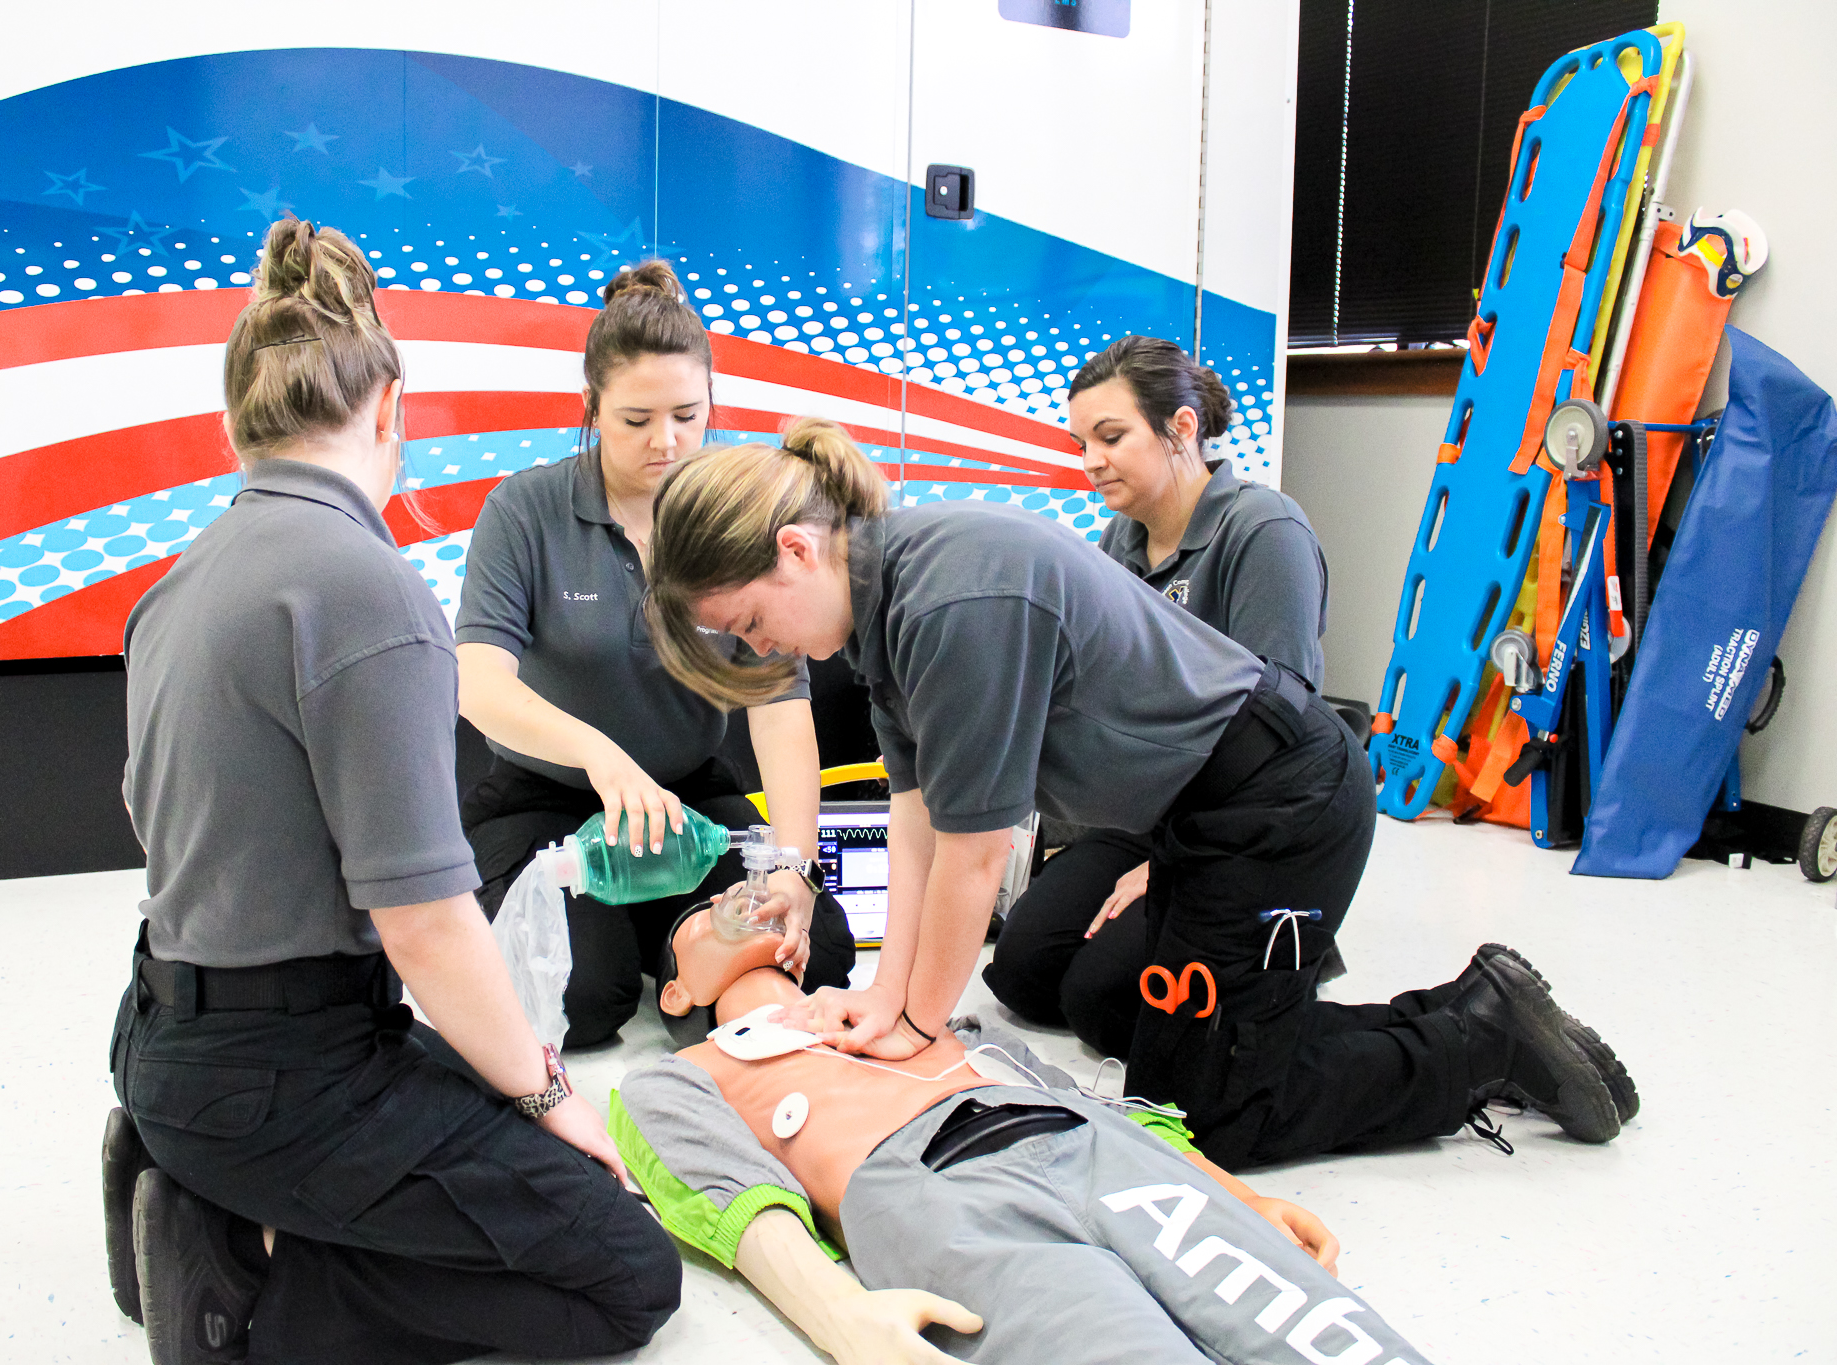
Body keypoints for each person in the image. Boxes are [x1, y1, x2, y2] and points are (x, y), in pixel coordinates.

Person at [640, 417, 1637, 1173]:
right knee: (1121, 1019)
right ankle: (1361, 1027)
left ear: (796, 550)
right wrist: (880, 996)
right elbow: (914, 827)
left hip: (1276, 797)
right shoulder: (880, 615)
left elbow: (975, 855)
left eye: (747, 622)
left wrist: (919, 1027)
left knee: (1206, 1120)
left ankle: (1477, 1036)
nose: (757, 649)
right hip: (1188, 811)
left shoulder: (953, 597)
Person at [104, 219, 680, 1365]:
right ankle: (249, 1269)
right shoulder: (365, 594)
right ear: (388, 412)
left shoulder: (175, 589)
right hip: (288, 1077)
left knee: (469, 1111)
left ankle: (186, 1177)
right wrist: (549, 1098)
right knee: (624, 1271)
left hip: (165, 1036)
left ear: (238, 425)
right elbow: (421, 922)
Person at [611, 899, 1438, 1365]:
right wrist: (843, 1320)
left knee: (1345, 1346)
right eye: (703, 915)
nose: (733, 901)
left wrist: (1234, 1193)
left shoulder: (919, 1013)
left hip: (1085, 1140)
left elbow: (1089, 1099)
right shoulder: (681, 1078)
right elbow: (741, 1209)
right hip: (936, 1194)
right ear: (676, 994)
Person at [454, 259, 855, 1049]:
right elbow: (478, 683)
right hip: (546, 801)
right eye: (636, 419)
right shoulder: (525, 512)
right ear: (591, 407)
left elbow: (779, 707)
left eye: (687, 415)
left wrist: (792, 865)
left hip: (687, 804)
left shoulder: (734, 510)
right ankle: (656, 933)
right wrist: (599, 756)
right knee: (582, 997)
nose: (665, 442)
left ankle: (665, 926)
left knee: (820, 948)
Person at [987, 337, 1332, 1062]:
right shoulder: (1121, 539)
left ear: (1181, 428)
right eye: (1082, 441)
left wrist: (1167, 869)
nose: (1090, 460)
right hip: (1147, 813)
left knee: (1103, 1003)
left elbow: (1284, 725)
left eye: (1110, 437)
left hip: (1236, 818)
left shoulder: (1263, 530)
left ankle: (1277, 949)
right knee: (1022, 969)